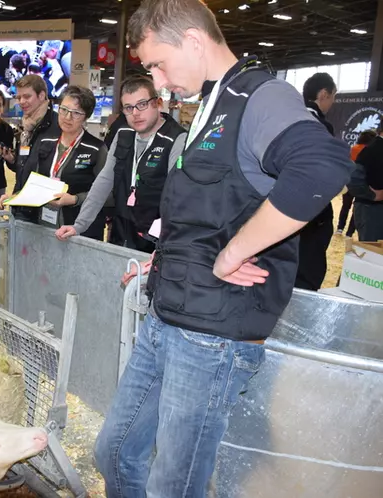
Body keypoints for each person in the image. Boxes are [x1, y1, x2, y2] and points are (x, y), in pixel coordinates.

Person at [93, 2, 352, 498]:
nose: (159, 80)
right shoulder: (211, 105)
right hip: (169, 310)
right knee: (115, 449)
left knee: (174, 483)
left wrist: (235, 251)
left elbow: (321, 167)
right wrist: (169, 256)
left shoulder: (261, 96)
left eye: (158, 64)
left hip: (214, 333)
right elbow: (214, 206)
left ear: (193, 40)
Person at [56, 77, 186, 251]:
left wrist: (166, 245)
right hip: (120, 235)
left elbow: (176, 198)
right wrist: (79, 225)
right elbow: (103, 182)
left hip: (156, 244)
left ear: (158, 103)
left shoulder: (177, 139)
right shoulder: (123, 134)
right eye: (128, 108)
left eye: (142, 104)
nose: (135, 113)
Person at [0, 86, 108, 239]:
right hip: (45, 225)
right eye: (64, 110)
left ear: (86, 116)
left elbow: (108, 193)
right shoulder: (46, 142)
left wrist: (75, 199)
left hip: (78, 229)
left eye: (76, 113)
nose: (67, 117)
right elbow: (35, 184)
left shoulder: (96, 149)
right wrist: (14, 197)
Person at [294, 72, 337, 291]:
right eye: (332, 96)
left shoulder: (289, 115)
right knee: (308, 274)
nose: (332, 102)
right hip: (310, 215)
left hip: (281, 209)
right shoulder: (319, 124)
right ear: (323, 94)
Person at [338, 130, 376, 237]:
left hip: (349, 182)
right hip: (363, 184)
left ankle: (340, 228)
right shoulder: (370, 151)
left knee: (345, 206)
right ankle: (349, 233)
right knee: (356, 210)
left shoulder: (352, 149)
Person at [351, 129, 383, 241]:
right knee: (371, 253)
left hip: (373, 211)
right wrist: (372, 195)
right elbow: (353, 180)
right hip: (372, 212)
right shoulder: (373, 149)